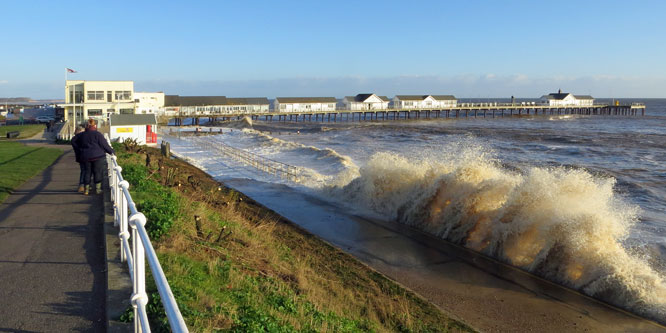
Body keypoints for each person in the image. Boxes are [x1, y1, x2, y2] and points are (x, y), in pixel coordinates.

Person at [71, 119, 115, 195]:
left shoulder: (82, 135)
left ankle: (86, 190)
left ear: (87, 126)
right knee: (97, 172)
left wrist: (79, 149)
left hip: (85, 157)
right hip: (98, 156)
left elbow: (73, 141)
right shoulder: (98, 134)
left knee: (87, 172)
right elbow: (104, 145)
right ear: (95, 125)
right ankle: (98, 190)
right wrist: (112, 152)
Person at [71, 126, 86, 192]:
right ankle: (82, 185)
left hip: (80, 157)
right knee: (84, 171)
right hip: (83, 156)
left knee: (84, 170)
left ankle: (83, 185)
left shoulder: (74, 139)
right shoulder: (77, 139)